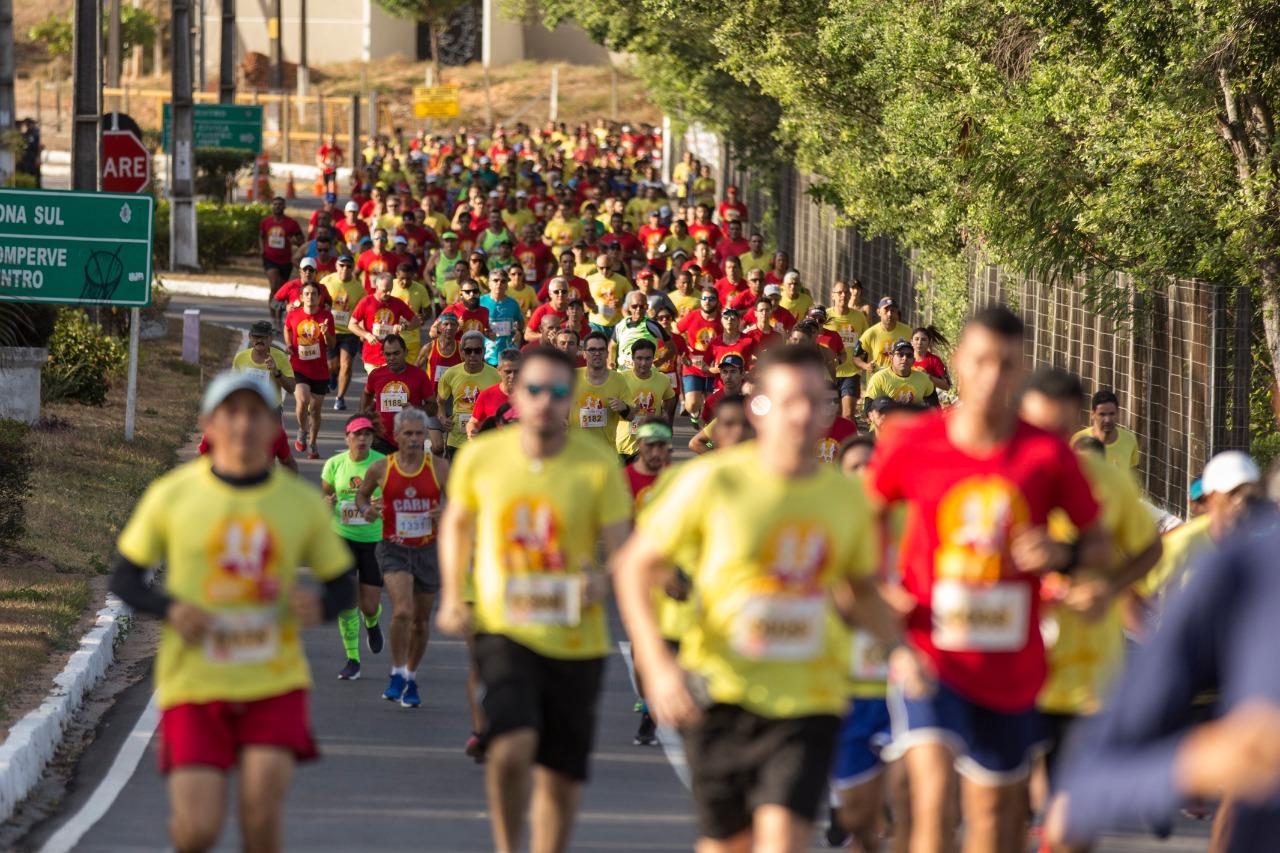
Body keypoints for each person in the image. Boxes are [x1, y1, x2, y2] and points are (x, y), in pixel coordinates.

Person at [613, 344, 897, 853]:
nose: (805, 413)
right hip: (722, 693)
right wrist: (655, 666)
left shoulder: (847, 499)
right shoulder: (710, 480)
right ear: (759, 407)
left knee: (783, 838)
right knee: (729, 843)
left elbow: (861, 595)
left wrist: (912, 653)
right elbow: (636, 566)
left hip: (810, 698)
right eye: (791, 400)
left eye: (818, 400)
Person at [863, 306, 1110, 853]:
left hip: (1011, 664)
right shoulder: (913, 441)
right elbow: (865, 514)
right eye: (980, 362)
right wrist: (880, 581)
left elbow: (1099, 542)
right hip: (930, 653)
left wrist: (1062, 553)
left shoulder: (1044, 454)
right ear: (956, 364)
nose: (991, 377)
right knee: (931, 801)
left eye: (1006, 365)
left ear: (1020, 373)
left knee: (995, 820)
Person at [108, 371, 353, 853]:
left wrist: (319, 606)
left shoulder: (298, 504)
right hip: (195, 683)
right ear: (209, 424)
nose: (243, 424)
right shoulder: (173, 495)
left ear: (273, 428)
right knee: (197, 830)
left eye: (255, 414)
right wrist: (171, 607)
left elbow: (342, 586)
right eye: (231, 413)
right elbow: (123, 579)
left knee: (260, 824)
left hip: (273, 682)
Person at [436, 345, 633, 853]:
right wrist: (454, 596)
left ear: (573, 398)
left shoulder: (597, 464)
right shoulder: (482, 457)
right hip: (505, 627)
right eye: (535, 390)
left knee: (560, 778)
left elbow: (624, 547)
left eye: (559, 392)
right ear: (517, 393)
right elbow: (456, 524)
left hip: (576, 636)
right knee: (510, 744)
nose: (546, 401)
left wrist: (605, 579)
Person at [1048, 451, 1280, 852]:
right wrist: (1156, 641)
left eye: (1250, 496)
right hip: (1176, 670)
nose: (1242, 505)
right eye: (1234, 495)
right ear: (1209, 499)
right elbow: (1132, 593)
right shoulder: (1227, 562)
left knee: (1236, 799)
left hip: (1224, 693)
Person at [1018, 368, 1164, 804]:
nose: (1051, 438)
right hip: (1014, 664)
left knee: (1069, 811)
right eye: (1041, 428)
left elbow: (1150, 549)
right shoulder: (999, 477)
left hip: (1086, 670)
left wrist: (1110, 586)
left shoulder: (1109, 482)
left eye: (1061, 427)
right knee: (1008, 805)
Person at [354, 408, 449, 710]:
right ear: (396, 437)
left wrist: (444, 513)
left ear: (425, 438)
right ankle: (396, 672)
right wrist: (366, 509)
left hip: (428, 550)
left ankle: (410, 675)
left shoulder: (440, 468)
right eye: (407, 433)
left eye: (419, 434)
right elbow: (362, 495)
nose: (413, 439)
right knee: (403, 611)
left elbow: (463, 505)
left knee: (421, 622)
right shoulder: (382, 468)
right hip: (393, 547)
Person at [321, 416, 387, 681]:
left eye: (367, 435)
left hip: (373, 540)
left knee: (369, 605)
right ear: (347, 437)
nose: (362, 439)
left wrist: (381, 502)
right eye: (357, 434)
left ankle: (371, 623)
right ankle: (353, 659)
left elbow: (392, 496)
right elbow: (327, 493)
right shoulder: (335, 465)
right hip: (342, 537)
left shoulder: (382, 463)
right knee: (347, 600)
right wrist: (327, 503)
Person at [283, 281, 337, 459]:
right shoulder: (294, 314)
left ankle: (312, 443)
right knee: (303, 399)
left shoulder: (326, 316)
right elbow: (287, 328)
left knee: (315, 410)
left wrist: (325, 333)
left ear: (319, 297)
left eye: (314, 294)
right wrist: (289, 344)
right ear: (301, 297)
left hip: (320, 370)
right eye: (307, 294)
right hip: (299, 366)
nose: (310, 297)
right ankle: (301, 429)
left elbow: (331, 344)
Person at [361, 334, 434, 454]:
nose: (392, 358)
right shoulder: (376, 375)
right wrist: (364, 416)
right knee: (383, 472)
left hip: (411, 438)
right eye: (387, 354)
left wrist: (415, 409)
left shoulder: (419, 375)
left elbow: (433, 407)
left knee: (409, 473)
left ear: (405, 352)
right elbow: (367, 394)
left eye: (396, 353)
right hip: (381, 439)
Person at [438, 331, 501, 457]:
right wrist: (442, 418)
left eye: (477, 351)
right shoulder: (451, 373)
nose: (473, 355)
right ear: (462, 352)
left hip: (484, 441)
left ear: (483, 351)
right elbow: (440, 401)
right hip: (456, 441)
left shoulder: (496, 375)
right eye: (468, 351)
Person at [348, 272, 420, 375]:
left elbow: (416, 321)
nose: (388, 294)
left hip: (391, 355)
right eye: (385, 291)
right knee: (374, 386)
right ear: (376, 287)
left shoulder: (397, 303)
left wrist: (403, 327)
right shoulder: (366, 302)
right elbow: (351, 324)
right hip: (371, 355)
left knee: (385, 385)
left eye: (390, 290)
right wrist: (366, 335)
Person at [616, 339, 677, 459]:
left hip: (650, 445)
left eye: (648, 358)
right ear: (632, 358)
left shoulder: (662, 379)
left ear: (653, 358)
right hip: (622, 445)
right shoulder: (620, 379)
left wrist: (666, 416)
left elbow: (670, 398)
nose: (643, 363)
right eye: (639, 358)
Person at [573, 330, 632, 449]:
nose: (597, 353)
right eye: (592, 350)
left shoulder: (618, 379)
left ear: (607, 353)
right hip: (577, 453)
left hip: (607, 454)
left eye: (601, 350)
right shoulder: (572, 377)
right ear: (584, 353)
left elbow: (632, 416)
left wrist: (624, 408)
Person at [322, 254, 365, 409]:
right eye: (342, 265)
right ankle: (333, 375)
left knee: (346, 364)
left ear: (353, 268)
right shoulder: (327, 282)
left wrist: (363, 332)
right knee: (332, 366)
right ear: (336, 266)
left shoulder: (358, 288)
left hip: (349, 332)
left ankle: (340, 398)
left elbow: (363, 312)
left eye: (348, 266)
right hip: (330, 330)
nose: (345, 269)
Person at [676, 287, 722, 427]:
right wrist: (684, 348)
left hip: (713, 368)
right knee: (691, 405)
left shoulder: (723, 320)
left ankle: (707, 439)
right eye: (704, 298)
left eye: (711, 299)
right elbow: (676, 332)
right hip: (693, 367)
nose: (707, 302)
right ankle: (695, 415)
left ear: (717, 301)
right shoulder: (692, 316)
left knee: (712, 407)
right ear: (700, 301)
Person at [825, 280, 871, 420]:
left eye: (846, 292)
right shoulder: (825, 316)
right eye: (839, 292)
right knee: (833, 416)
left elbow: (866, 341)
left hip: (851, 372)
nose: (843, 295)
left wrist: (863, 362)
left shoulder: (859, 317)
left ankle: (849, 441)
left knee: (848, 414)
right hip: (829, 372)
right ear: (833, 296)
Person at [862, 338, 940, 412]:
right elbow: (868, 409)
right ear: (891, 358)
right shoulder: (879, 378)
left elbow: (935, 407)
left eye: (909, 355)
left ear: (913, 360)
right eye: (900, 354)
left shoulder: (924, 378)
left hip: (914, 425)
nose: (905, 358)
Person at [232, 320, 297, 406]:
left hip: (271, 410)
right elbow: (233, 387)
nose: (259, 340)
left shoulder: (281, 357)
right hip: (247, 409)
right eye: (256, 337)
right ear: (250, 337)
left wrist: (276, 372)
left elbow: (291, 388)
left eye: (263, 337)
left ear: (271, 338)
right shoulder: (240, 358)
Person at [1072, 389, 1140, 470]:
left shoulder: (1130, 439)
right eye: (1102, 414)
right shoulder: (1079, 440)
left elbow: (1132, 476)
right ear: (1092, 415)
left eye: (1112, 414)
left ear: (1118, 414)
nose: (1107, 420)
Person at [468, 349, 521, 438]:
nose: (512, 376)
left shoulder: (532, 396)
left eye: (517, 371)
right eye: (508, 372)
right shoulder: (486, 395)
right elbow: (473, 421)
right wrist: (472, 432)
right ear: (499, 371)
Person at [610, 290, 667, 372]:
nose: (638, 309)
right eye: (634, 306)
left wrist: (661, 360)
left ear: (647, 307)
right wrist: (611, 361)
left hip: (646, 375)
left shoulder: (652, 325)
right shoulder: (621, 325)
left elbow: (672, 348)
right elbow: (612, 346)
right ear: (629, 307)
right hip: (624, 374)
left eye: (642, 306)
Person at [260, 197, 303, 304]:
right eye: (275, 204)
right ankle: (273, 312)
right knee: (274, 285)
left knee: (281, 289)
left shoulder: (292, 223)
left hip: (285, 261)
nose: (277, 206)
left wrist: (294, 242)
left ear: (284, 207)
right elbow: (261, 236)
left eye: (280, 204)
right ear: (272, 206)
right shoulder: (265, 222)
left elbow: (301, 240)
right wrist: (262, 249)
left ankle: (278, 314)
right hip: (270, 259)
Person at [481, 268, 525, 365]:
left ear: (507, 285)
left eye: (503, 281)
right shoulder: (481, 302)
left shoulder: (513, 303)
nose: (499, 283)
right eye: (495, 280)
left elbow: (521, 324)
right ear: (489, 284)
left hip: (507, 354)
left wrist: (518, 331)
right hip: (486, 355)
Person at [854, 297, 909, 373]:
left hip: (899, 382)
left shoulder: (908, 331)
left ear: (897, 312)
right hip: (876, 381)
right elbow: (856, 357)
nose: (889, 314)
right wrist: (866, 366)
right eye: (886, 310)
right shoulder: (870, 333)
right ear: (878, 312)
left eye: (892, 310)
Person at [586, 252, 631, 333]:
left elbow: (631, 296)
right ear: (596, 267)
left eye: (608, 268)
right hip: (595, 323)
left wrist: (622, 301)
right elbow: (584, 298)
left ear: (612, 266)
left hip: (616, 323)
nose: (605, 270)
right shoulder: (589, 279)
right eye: (601, 268)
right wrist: (592, 306)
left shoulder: (622, 279)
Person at [911, 326, 952, 392]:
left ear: (929, 343)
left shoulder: (934, 360)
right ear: (911, 341)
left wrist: (928, 377)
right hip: (907, 397)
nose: (919, 342)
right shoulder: (904, 357)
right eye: (916, 339)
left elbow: (947, 386)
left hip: (928, 399)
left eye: (923, 340)